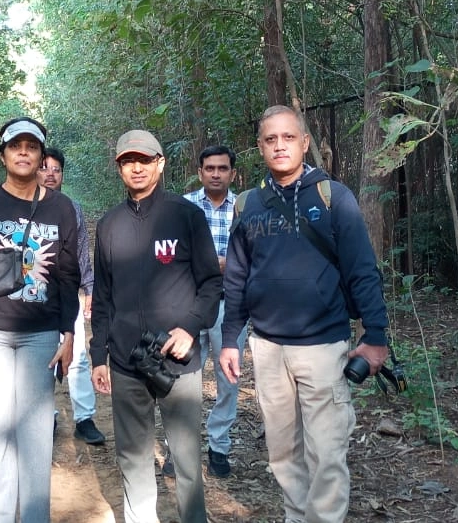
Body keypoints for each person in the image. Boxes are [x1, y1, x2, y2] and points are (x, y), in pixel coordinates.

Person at [219, 106, 390, 523]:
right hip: (268, 347)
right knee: (283, 453)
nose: (279, 146)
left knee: (327, 453)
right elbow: (237, 278)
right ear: (260, 147)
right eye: (270, 139)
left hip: (324, 347)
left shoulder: (333, 197)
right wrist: (229, 340)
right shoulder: (248, 204)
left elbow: (362, 269)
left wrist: (376, 335)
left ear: (305, 142)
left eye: (288, 137)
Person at [0, 117, 82, 523]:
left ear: (42, 156)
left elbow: (68, 275)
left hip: (41, 334)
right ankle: (2, 515)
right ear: (3, 155)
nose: (23, 152)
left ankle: (36, 516)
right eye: (15, 146)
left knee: (37, 434)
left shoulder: (61, 208)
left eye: (32, 146)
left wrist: (69, 333)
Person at [90, 129, 222, 523]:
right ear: (119, 168)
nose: (137, 168)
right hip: (126, 362)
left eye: (145, 160)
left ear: (160, 164)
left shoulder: (186, 216)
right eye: (128, 161)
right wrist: (98, 356)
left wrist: (190, 328)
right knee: (133, 459)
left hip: (179, 362)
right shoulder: (109, 225)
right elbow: (102, 297)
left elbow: (211, 283)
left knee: (186, 460)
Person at [181, 144, 248, 479]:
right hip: (190, 305)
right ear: (200, 172)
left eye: (223, 168)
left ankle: (219, 446)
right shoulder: (184, 207)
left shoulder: (245, 208)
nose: (216, 174)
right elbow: (175, 256)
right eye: (210, 168)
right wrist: (213, 264)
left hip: (231, 306)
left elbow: (255, 256)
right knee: (183, 380)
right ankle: (180, 447)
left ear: (232, 173)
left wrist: (227, 266)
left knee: (228, 380)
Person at [40, 147, 106, 446]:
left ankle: (84, 418)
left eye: (56, 169)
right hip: (34, 296)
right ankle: (46, 415)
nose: (50, 174)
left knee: (77, 355)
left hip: (68, 293)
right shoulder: (23, 207)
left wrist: (89, 288)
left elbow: (81, 252)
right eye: (44, 168)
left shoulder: (72, 208)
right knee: (41, 357)